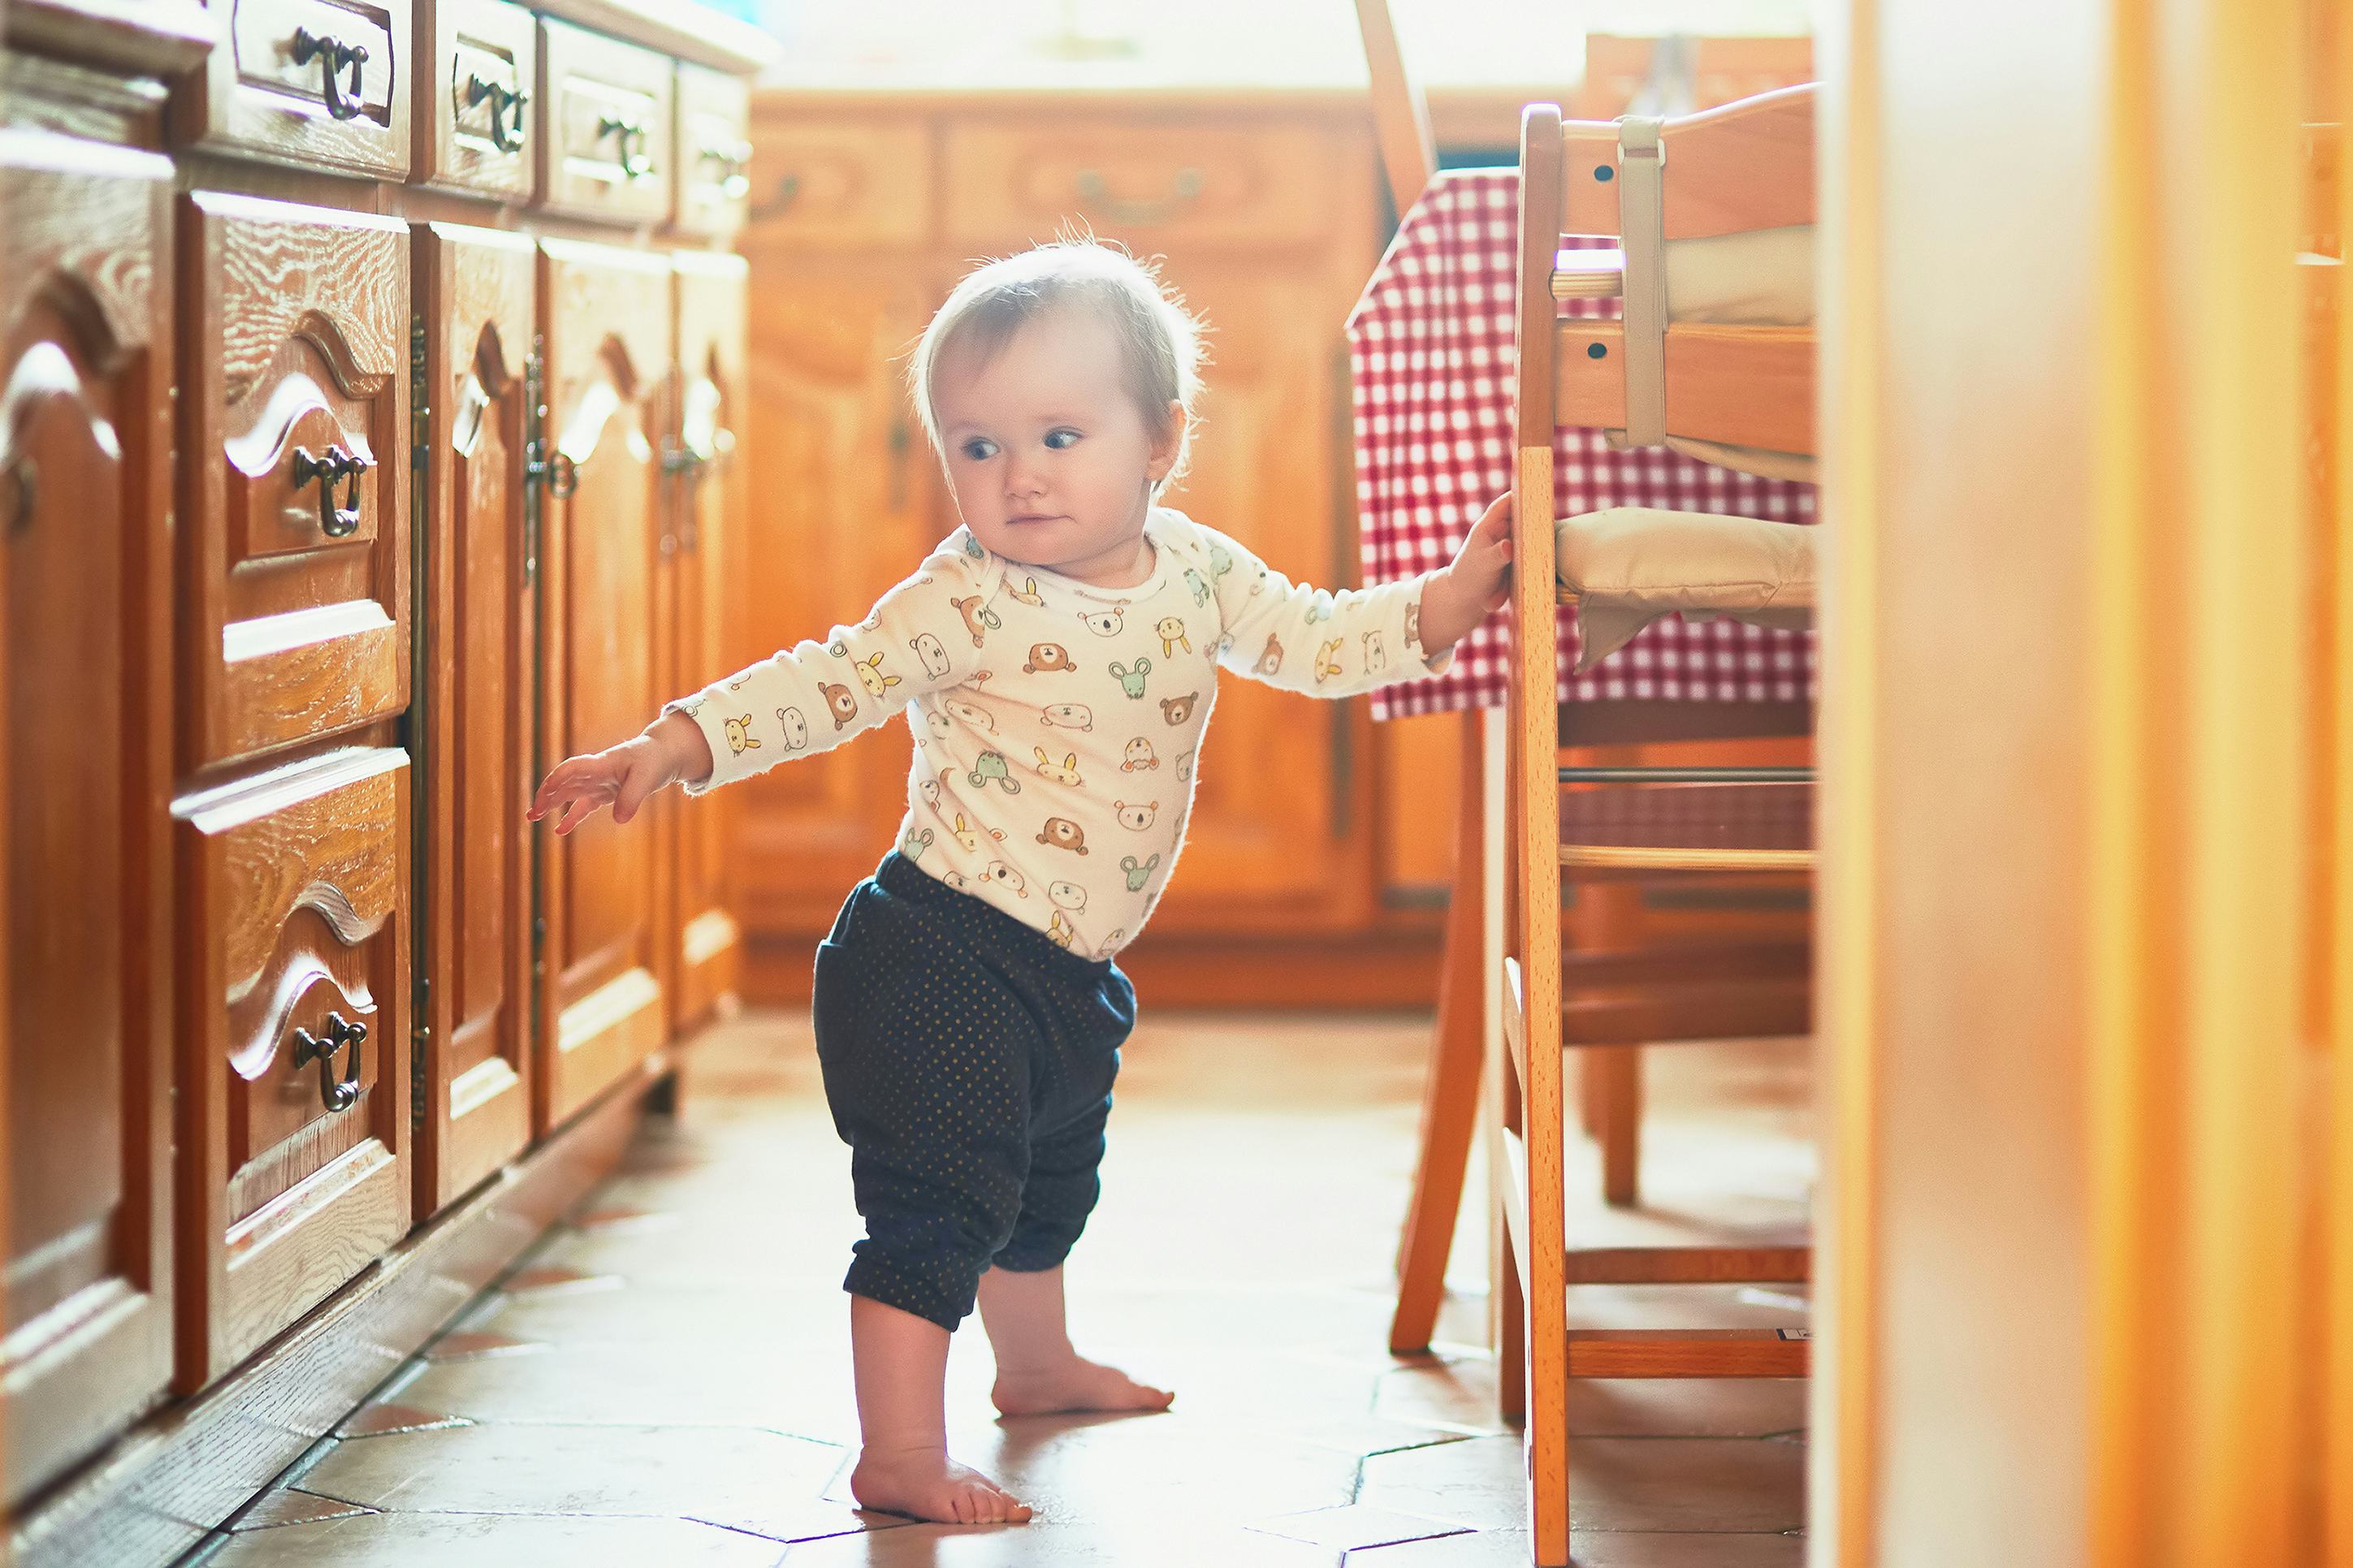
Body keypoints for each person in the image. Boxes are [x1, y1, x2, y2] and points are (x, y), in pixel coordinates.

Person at [527, 237, 1514, 1526]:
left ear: (1160, 438)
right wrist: (671, 745)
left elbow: (1319, 640)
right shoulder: (964, 598)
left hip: (1065, 969)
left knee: (1049, 1174)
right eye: (976, 447)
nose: (1018, 477)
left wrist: (1439, 606)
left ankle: (1036, 1365)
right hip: (937, 949)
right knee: (940, 1202)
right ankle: (897, 1452)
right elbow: (825, 682)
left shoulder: (1201, 572)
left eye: (1059, 435)